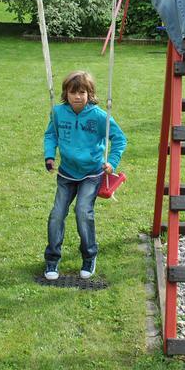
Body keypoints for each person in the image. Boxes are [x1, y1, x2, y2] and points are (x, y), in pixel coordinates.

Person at [43, 71, 127, 280]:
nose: (77, 97)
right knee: (56, 214)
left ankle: (89, 255)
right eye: (73, 92)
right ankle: (52, 259)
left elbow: (119, 139)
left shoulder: (99, 116)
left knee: (83, 211)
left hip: (91, 173)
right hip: (66, 173)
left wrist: (112, 162)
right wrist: (49, 156)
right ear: (66, 94)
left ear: (90, 94)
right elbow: (51, 134)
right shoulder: (58, 112)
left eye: (82, 92)